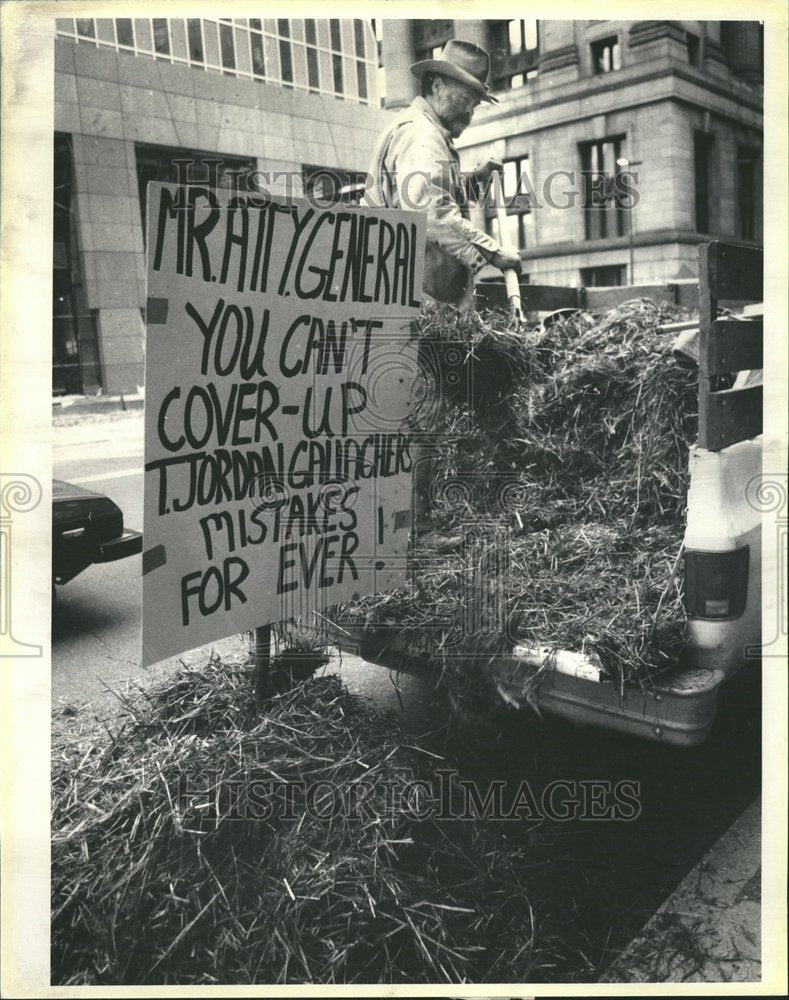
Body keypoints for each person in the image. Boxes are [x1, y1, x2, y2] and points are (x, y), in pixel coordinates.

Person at [366, 38, 522, 552]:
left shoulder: (425, 136)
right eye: (467, 97)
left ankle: (405, 523)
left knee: (416, 415)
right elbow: (430, 213)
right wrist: (490, 253)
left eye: (478, 100)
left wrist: (473, 182)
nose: (473, 110)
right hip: (411, 303)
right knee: (422, 416)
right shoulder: (422, 138)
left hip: (409, 300)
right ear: (436, 85)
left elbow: (433, 196)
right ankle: (414, 533)